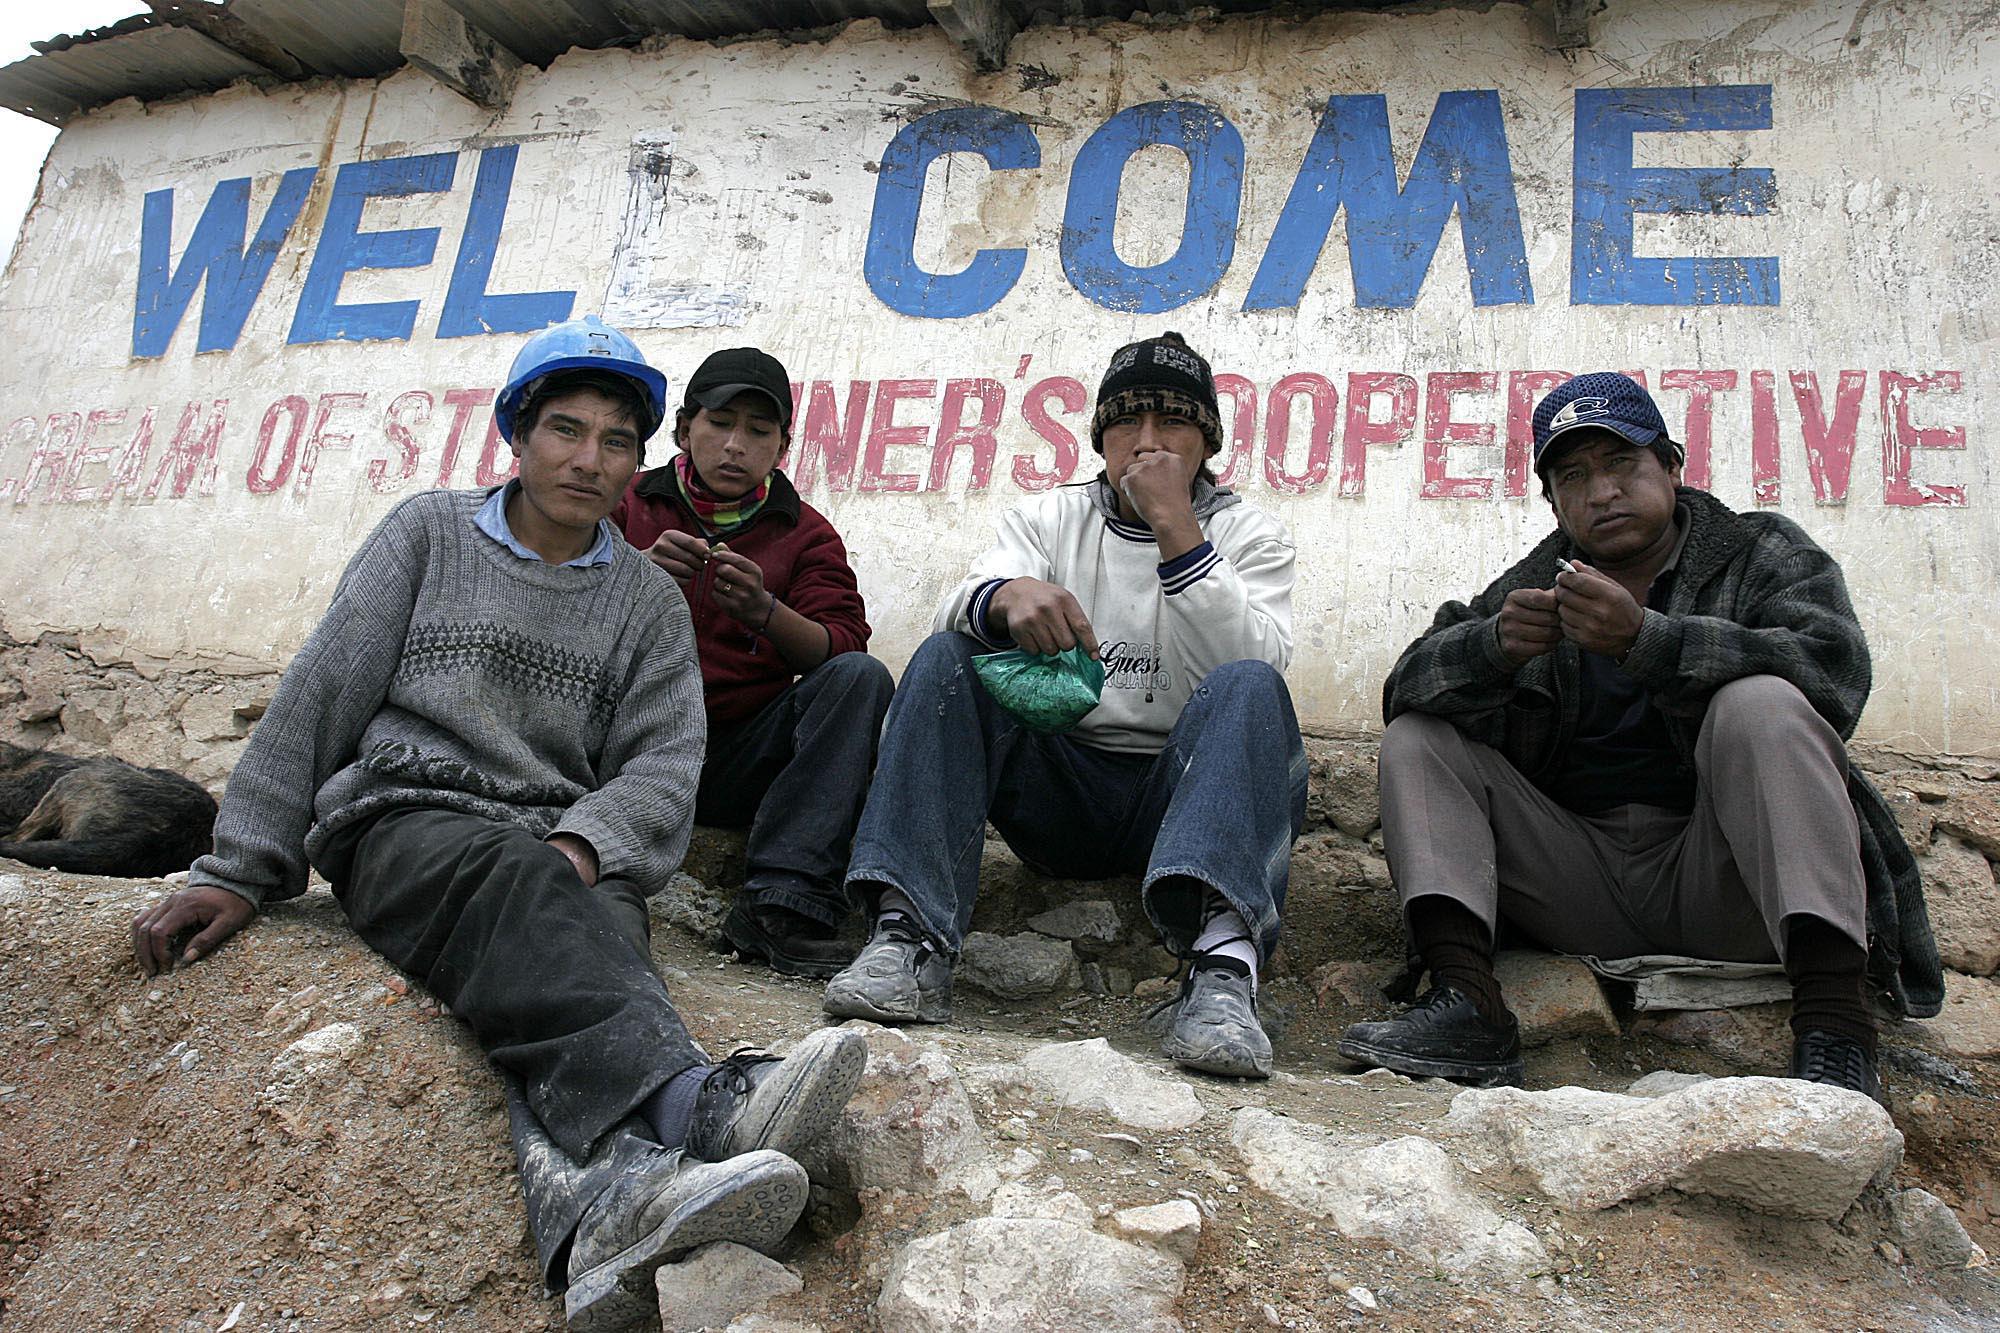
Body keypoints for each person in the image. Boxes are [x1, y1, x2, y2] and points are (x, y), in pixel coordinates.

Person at [128, 316, 867, 1332]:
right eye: (565, 430)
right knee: (529, 898)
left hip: (554, 843)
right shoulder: (425, 534)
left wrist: (582, 843)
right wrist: (237, 867)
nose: (588, 458)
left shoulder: (645, 602)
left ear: (635, 463)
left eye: (615, 441)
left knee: (599, 940)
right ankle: (698, 1103)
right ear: (517, 434)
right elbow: (319, 697)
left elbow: (662, 768)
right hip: (408, 820)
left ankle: (602, 1210)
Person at [1339, 372, 1941, 1097]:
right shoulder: (1537, 582)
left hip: (1730, 883)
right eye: (1573, 476)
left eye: (1622, 463)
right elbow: (1405, 684)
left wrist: (1649, 641)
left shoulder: (1759, 550)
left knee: (1760, 704)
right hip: (1578, 885)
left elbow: (1834, 671)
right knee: (1418, 735)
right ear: (1555, 503)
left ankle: (1835, 1029)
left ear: (1674, 467)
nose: (1602, 492)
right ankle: (1466, 1003)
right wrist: (1491, 646)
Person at [821, 331, 1306, 1079]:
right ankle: (907, 936)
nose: (1147, 444)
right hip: (1058, 784)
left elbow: (1243, 661)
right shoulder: (1051, 519)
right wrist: (1004, 598)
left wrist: (1178, 527)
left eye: (1173, 423)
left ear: (1206, 442)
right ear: (1100, 437)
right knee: (949, 655)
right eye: (1125, 424)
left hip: (1180, 803)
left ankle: (1222, 976)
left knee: (1251, 687)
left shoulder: (1251, 534)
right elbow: (962, 603)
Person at [613, 347, 891, 978]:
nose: (735, 445)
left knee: (859, 681)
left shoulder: (806, 534)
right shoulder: (626, 504)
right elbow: (545, 586)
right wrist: (630, 579)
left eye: (758, 432)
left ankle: (779, 905)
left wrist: (768, 612)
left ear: (782, 447)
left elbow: (844, 644)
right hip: (622, 744)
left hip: (734, 759)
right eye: (719, 423)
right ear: (685, 430)